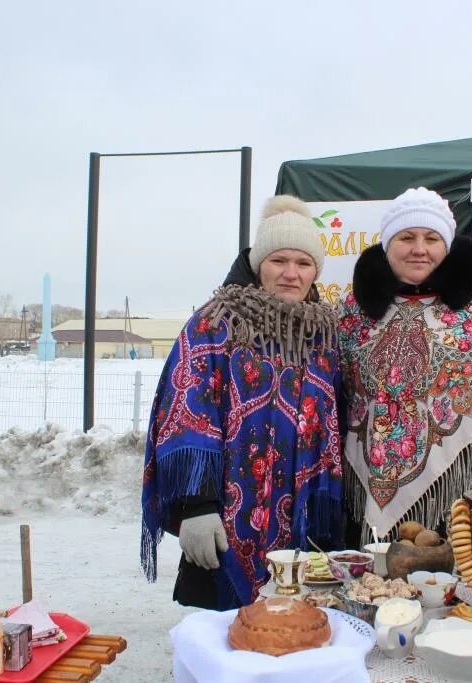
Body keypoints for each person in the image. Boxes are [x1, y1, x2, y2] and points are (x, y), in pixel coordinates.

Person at [141, 195, 342, 610]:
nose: (290, 273)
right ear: (258, 264)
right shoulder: (215, 323)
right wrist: (196, 507)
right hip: (226, 519)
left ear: (315, 271)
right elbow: (186, 414)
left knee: (296, 642)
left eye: (303, 263)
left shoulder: (324, 337)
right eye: (278, 261)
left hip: (302, 524)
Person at [338, 187, 472, 542]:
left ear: (447, 246)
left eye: (432, 238)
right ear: (387, 245)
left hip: (468, 488)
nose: (419, 249)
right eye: (407, 237)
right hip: (370, 483)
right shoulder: (352, 311)